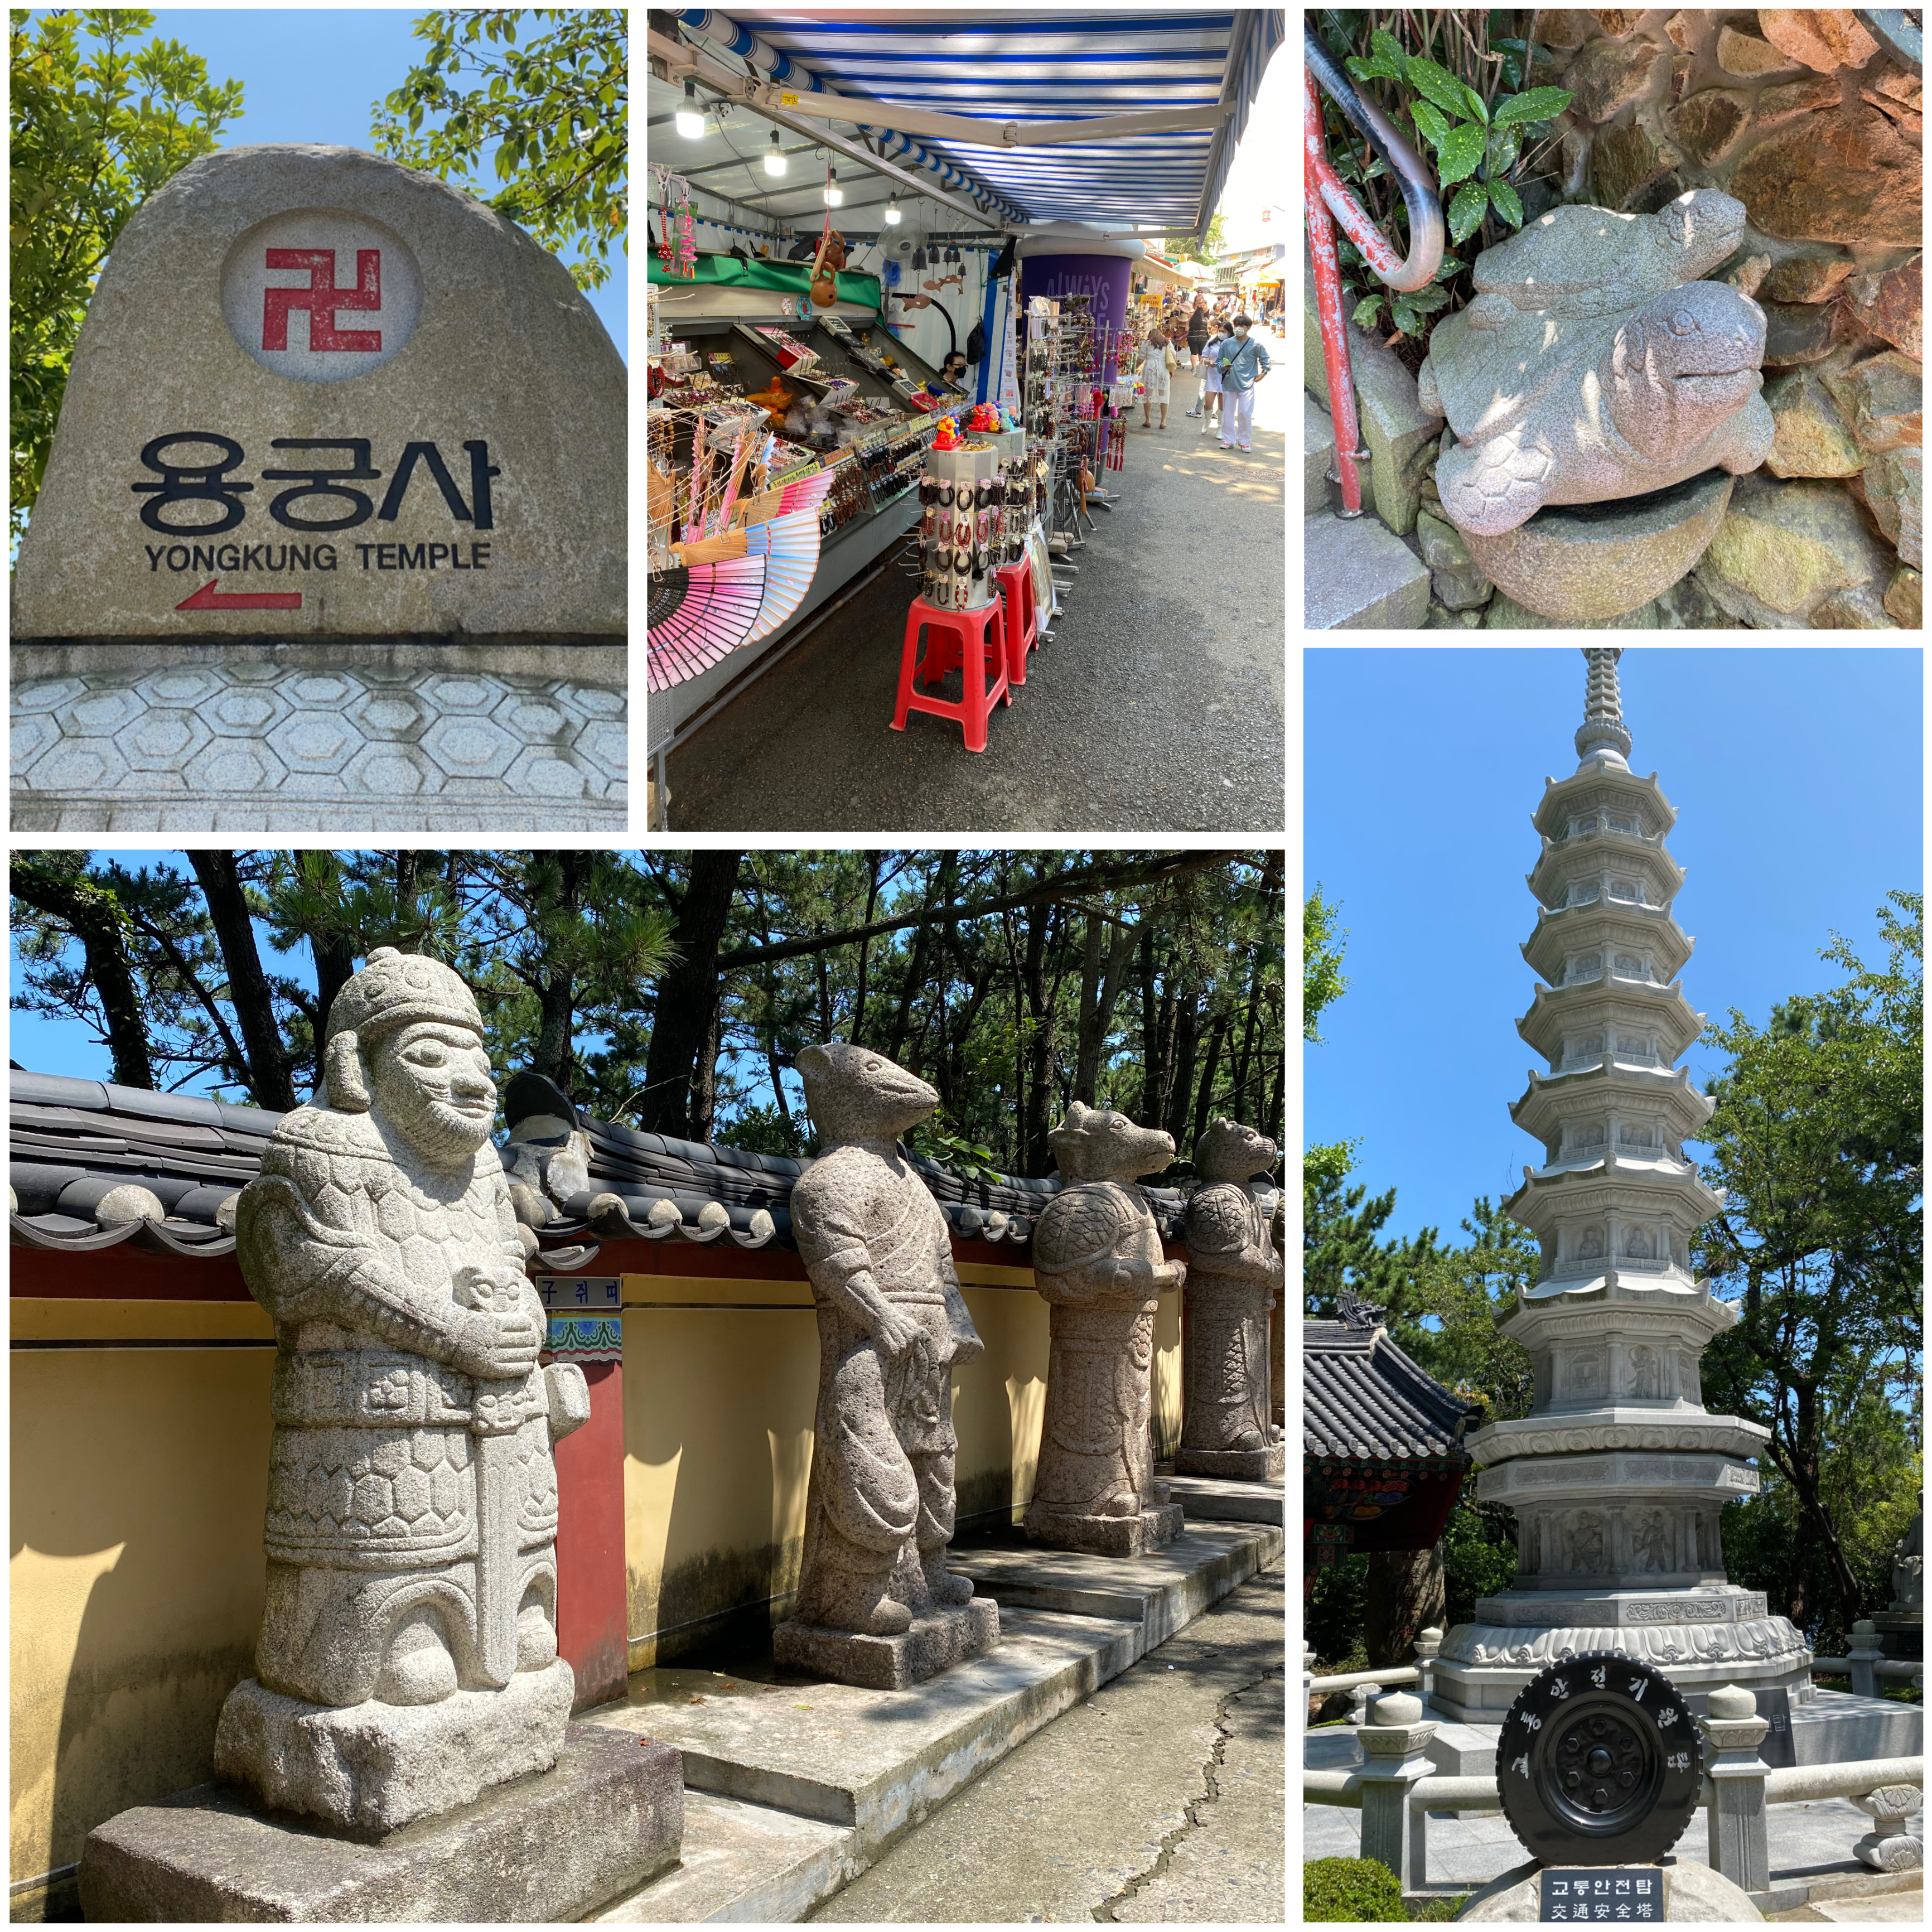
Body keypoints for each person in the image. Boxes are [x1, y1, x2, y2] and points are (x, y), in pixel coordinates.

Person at [1211, 313, 1270, 452]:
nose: (1238, 328)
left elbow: (1265, 359)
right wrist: (1223, 367)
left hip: (1247, 384)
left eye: (1241, 326)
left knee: (1244, 413)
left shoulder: (1255, 344)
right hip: (1229, 382)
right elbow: (1219, 361)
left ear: (1248, 328)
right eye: (1236, 325)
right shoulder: (1227, 343)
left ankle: (1244, 442)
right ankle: (1228, 440)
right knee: (1227, 413)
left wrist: (1264, 372)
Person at [1139, 326, 1173, 430]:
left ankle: (1148, 420)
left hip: (1150, 370)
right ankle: (1163, 422)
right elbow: (1172, 357)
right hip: (1163, 370)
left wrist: (1133, 370)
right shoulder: (1168, 343)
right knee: (1164, 395)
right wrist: (1171, 371)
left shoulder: (1147, 343)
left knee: (1148, 396)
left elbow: (1141, 359)